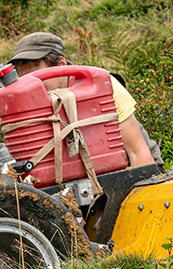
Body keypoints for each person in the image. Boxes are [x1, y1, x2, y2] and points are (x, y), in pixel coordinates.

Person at [9, 32, 163, 168]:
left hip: (131, 170)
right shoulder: (30, 99)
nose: (33, 87)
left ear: (61, 65)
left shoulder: (101, 85)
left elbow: (138, 153)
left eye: (39, 77)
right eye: (25, 80)